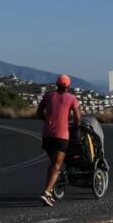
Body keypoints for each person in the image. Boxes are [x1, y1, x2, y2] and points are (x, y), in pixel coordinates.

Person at [36, 74, 81, 206]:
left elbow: (39, 112)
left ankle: (49, 191)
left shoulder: (48, 95)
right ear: (68, 86)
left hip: (47, 135)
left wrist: (47, 120)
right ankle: (46, 193)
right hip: (61, 136)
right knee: (57, 166)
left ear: (56, 84)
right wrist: (75, 127)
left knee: (53, 165)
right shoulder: (72, 98)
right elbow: (78, 117)